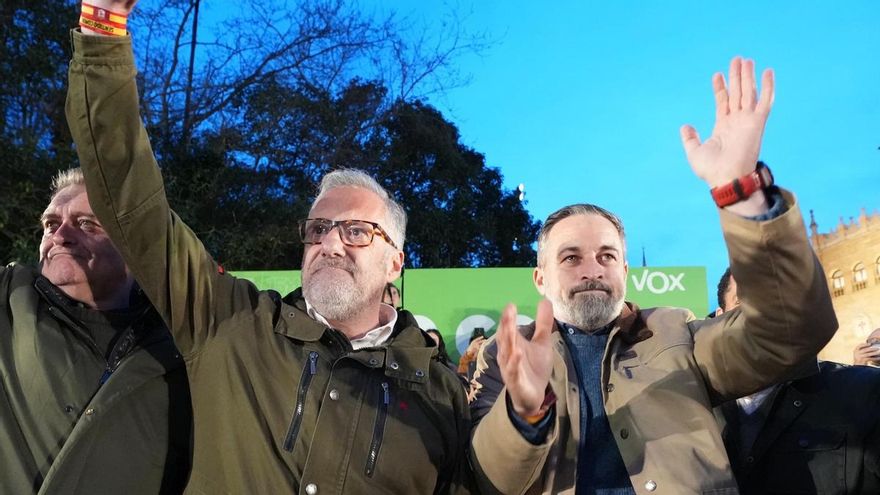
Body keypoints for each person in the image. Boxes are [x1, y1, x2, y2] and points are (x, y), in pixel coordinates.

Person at [65, 3, 473, 492]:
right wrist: (103, 26)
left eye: (356, 231)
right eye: (318, 229)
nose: (330, 244)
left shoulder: (442, 394)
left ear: (395, 262)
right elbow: (129, 196)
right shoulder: (229, 319)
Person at [468, 58, 838, 494]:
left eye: (607, 256)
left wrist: (741, 193)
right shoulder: (502, 356)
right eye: (571, 258)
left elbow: (792, 332)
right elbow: (488, 482)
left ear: (625, 270)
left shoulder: (676, 332)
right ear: (540, 278)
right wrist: (522, 415)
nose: (592, 271)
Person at [0, 168, 191, 494]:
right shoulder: (8, 297)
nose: (59, 235)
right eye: (50, 224)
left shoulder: (182, 341)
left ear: (134, 244)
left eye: (86, 223)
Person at [715, 269, 880, 494]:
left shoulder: (865, 392)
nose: (758, 313)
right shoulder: (693, 409)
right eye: (742, 301)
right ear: (719, 316)